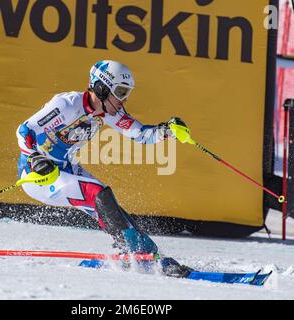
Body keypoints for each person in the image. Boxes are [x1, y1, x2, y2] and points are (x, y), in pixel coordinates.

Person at [16, 60, 191, 277]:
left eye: (127, 93)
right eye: (120, 92)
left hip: (67, 168)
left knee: (110, 205)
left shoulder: (110, 112)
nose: (124, 99)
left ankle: (149, 255)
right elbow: (24, 131)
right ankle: (133, 250)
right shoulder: (66, 105)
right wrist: (34, 158)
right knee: (97, 194)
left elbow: (140, 134)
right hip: (38, 175)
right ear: (101, 88)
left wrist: (168, 130)